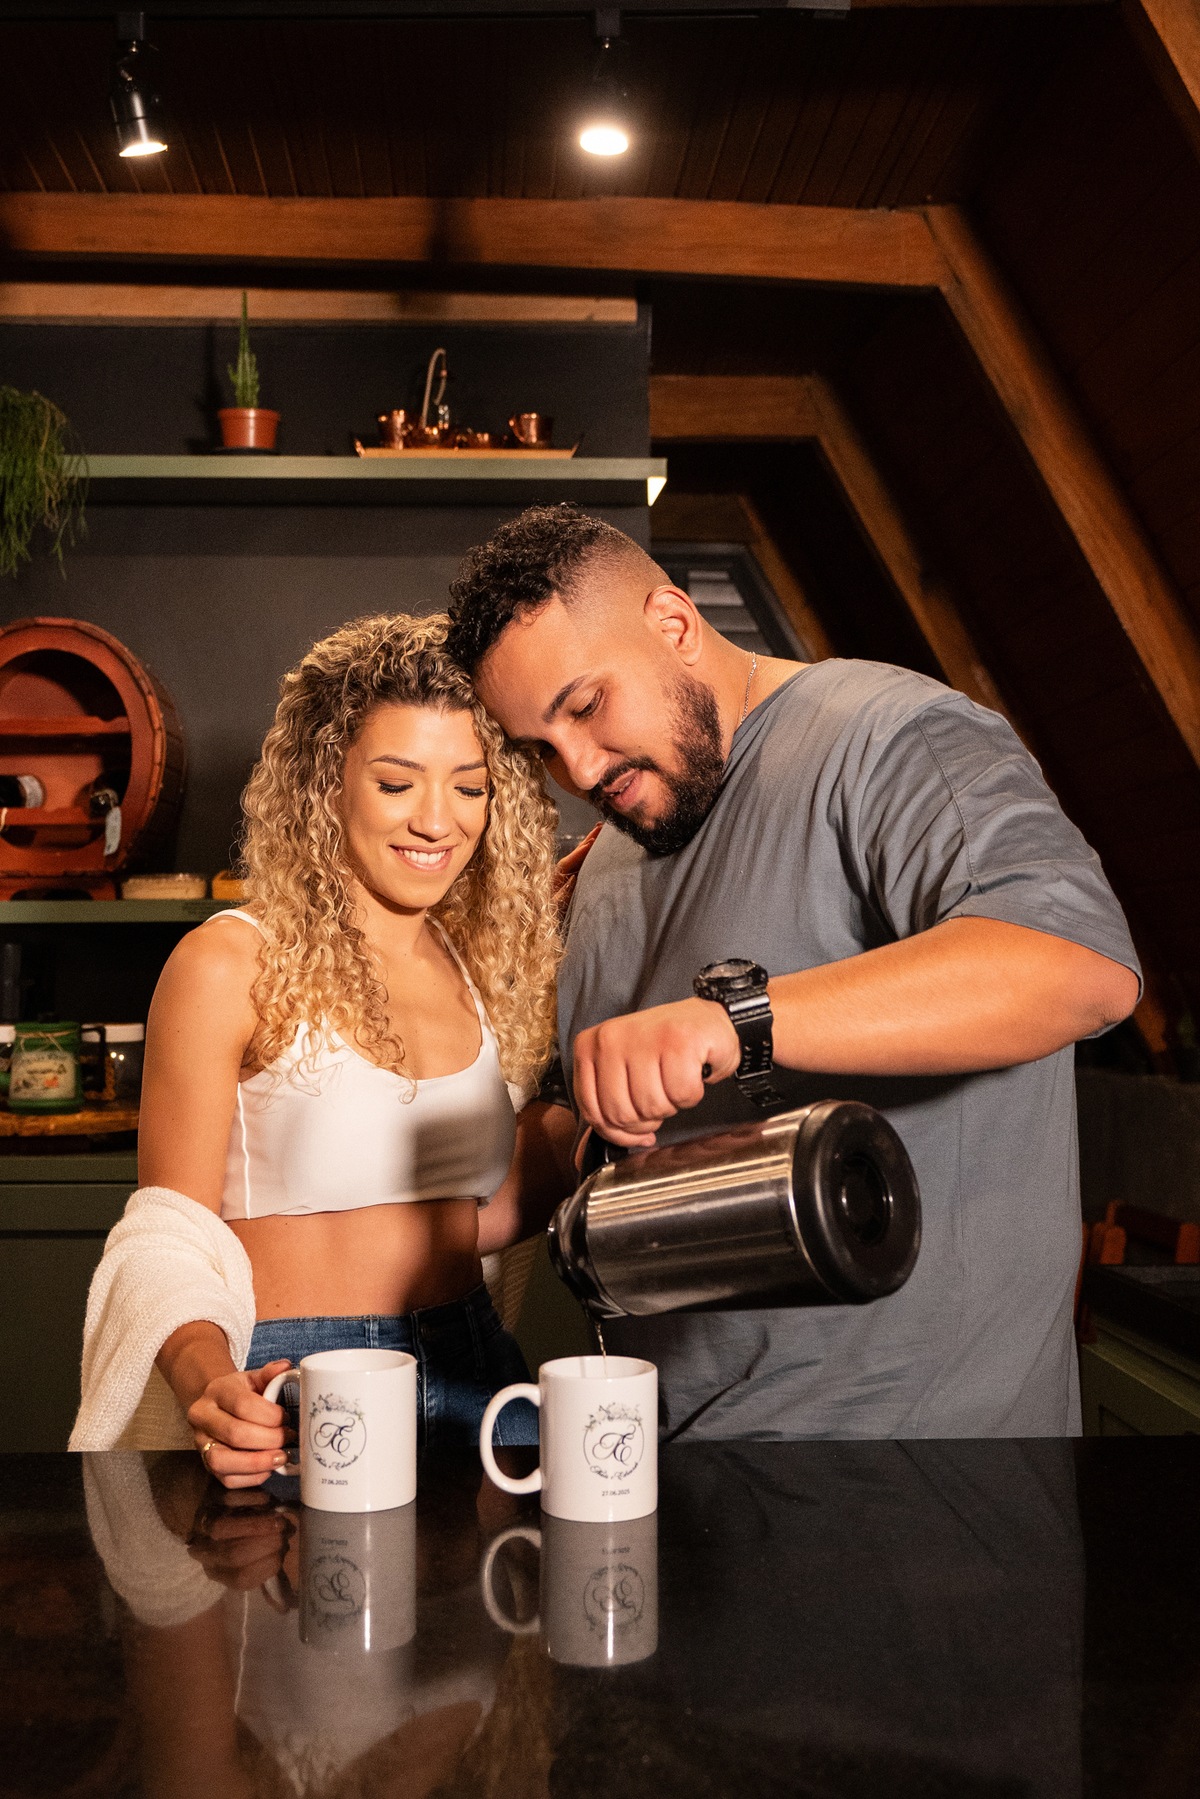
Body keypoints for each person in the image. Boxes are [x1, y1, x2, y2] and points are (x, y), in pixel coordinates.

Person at [445, 505, 1141, 1439]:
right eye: (540, 745)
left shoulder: (892, 736)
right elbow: (596, 1121)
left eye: (585, 705)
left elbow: (1077, 964)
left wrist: (733, 1019)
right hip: (671, 1461)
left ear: (673, 623)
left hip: (924, 1473)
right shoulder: (610, 851)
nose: (577, 767)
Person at [102, 613, 574, 1486]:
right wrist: (208, 1383)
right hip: (297, 1380)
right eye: (397, 782)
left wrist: (606, 1124)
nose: (437, 820)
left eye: (470, 787)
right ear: (326, 783)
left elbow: (473, 1212)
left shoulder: (480, 967)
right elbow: (167, 1235)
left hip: (476, 1363)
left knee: (509, 1580)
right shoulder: (231, 963)